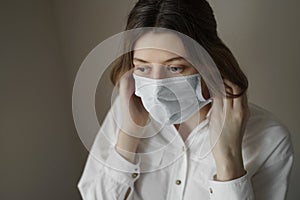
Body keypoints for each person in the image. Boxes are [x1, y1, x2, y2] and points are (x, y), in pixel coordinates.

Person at [77, 0, 294, 199]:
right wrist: (129, 135)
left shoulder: (270, 138)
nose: (157, 86)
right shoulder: (126, 111)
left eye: (174, 67)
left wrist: (228, 162)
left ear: (208, 62)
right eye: (143, 67)